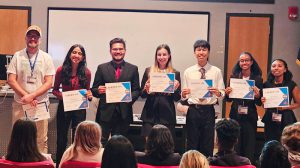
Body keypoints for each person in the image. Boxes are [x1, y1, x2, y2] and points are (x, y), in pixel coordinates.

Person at [7, 25, 55, 153]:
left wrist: (32, 96)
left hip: (39, 105)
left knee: (40, 139)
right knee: (18, 137)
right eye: (30, 35)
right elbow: (11, 79)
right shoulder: (17, 56)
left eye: (36, 36)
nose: (32, 38)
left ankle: (40, 164)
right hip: (20, 104)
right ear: (25, 38)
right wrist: (27, 97)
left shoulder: (47, 58)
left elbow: (49, 82)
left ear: (40, 39)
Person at [91, 38, 140, 145]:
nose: (118, 52)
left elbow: (137, 90)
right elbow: (94, 89)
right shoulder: (102, 68)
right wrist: (98, 90)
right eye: (115, 49)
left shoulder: (133, 69)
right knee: (100, 143)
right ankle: (102, 162)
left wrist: (128, 98)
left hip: (124, 113)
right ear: (110, 51)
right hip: (105, 113)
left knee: (120, 145)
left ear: (125, 50)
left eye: (120, 49)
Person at [181, 39, 225, 157]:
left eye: (204, 49)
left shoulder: (216, 71)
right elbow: (184, 95)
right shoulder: (188, 72)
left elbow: (222, 94)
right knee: (192, 142)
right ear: (194, 53)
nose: (201, 52)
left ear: (208, 52)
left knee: (207, 143)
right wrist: (184, 94)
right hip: (193, 110)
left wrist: (218, 92)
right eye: (198, 50)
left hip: (209, 110)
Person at [52, 44, 93, 166]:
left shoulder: (87, 72)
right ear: (70, 54)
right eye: (74, 52)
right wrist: (63, 97)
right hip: (64, 107)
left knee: (79, 138)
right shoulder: (61, 70)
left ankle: (76, 164)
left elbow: (87, 91)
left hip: (80, 109)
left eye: (80, 53)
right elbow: (54, 90)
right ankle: (60, 164)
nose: (76, 55)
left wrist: (89, 95)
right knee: (61, 139)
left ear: (83, 57)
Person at [224, 52, 263, 162]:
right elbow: (228, 99)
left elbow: (260, 102)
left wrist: (258, 95)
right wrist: (227, 93)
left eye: (246, 60)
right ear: (239, 62)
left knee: (249, 144)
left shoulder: (258, 79)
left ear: (251, 62)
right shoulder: (233, 77)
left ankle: (247, 164)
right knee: (235, 144)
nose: (244, 62)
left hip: (250, 116)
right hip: (235, 114)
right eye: (242, 60)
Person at [140, 44, 181, 139]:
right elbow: (142, 95)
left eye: (164, 54)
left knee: (166, 147)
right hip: (149, 115)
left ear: (169, 56)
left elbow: (177, 98)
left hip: (167, 115)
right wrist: (146, 90)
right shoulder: (148, 71)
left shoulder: (175, 73)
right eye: (159, 55)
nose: (161, 57)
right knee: (149, 146)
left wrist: (174, 89)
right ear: (156, 56)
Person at [261, 59, 300, 141]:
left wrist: (285, 107)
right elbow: (264, 105)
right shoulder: (266, 84)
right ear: (271, 69)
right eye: (274, 66)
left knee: (285, 143)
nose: (276, 68)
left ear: (285, 69)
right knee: (270, 142)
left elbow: (298, 103)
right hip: (270, 118)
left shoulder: (291, 84)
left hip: (286, 118)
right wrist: (263, 101)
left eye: (279, 66)